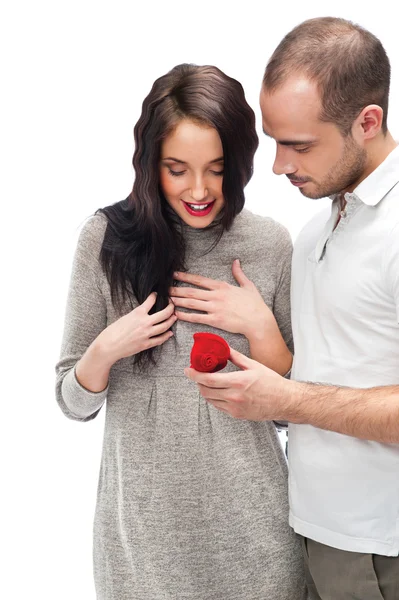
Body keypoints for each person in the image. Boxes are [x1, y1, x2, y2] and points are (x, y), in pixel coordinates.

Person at [55, 63, 308, 599]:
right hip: (142, 548)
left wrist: (259, 326)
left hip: (258, 542)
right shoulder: (104, 242)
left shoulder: (270, 245)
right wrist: (106, 348)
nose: (199, 189)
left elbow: (295, 410)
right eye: (177, 169)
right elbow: (71, 403)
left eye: (217, 169)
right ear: (150, 166)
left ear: (239, 163)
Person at [184, 17, 399, 600]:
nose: (279, 165)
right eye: (275, 140)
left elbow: (301, 399)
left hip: (383, 549)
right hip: (312, 537)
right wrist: (262, 334)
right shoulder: (313, 232)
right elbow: (325, 380)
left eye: (300, 145)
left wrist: (285, 399)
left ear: (368, 122)